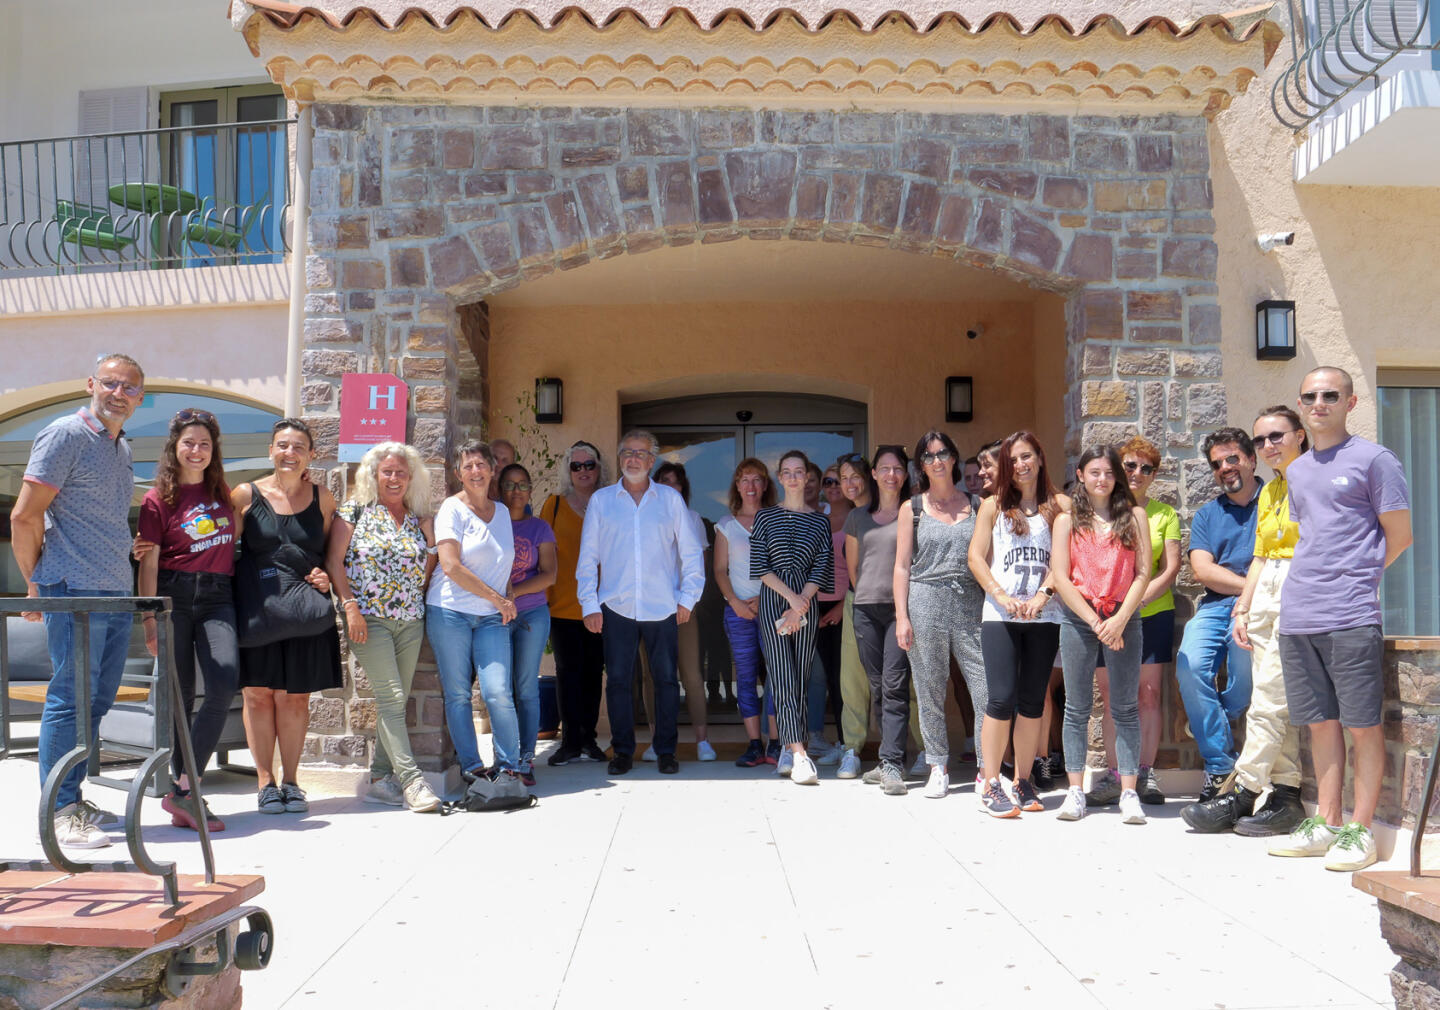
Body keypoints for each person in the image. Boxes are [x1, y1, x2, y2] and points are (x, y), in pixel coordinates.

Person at [1268, 367, 1411, 871]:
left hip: (1351, 614)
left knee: (1362, 726)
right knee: (1320, 726)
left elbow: (1400, 535)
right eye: (1310, 396)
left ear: (1350, 403)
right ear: (1300, 405)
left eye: (1331, 395)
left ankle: (1360, 830)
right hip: (1298, 614)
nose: (1319, 403)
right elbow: (1312, 536)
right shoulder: (1298, 470)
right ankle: (1327, 824)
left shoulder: (1375, 460)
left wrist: (1359, 578)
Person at [12, 353, 145, 848]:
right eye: (110, 383)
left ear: (140, 398)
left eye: (129, 388)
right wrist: (36, 585)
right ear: (91, 384)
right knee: (70, 700)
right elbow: (24, 517)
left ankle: (73, 797)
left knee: (97, 700)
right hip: (72, 589)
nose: (118, 393)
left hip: (115, 589)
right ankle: (59, 812)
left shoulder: (121, 447)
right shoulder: (65, 434)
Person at [1183, 407, 1309, 835]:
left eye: (1275, 437)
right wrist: (1244, 605)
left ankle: (1243, 790)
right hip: (1241, 602)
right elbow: (1258, 558)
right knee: (1262, 696)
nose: (1225, 468)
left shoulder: (1307, 483)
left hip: (1291, 601)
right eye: (1217, 463)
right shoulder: (1272, 493)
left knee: (1265, 699)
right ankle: (1279, 793)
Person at [577, 430, 704, 776]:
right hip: (616, 605)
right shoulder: (602, 501)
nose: (633, 459)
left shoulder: (670, 500)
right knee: (618, 680)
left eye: (640, 453)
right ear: (620, 458)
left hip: (662, 604)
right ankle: (622, 751)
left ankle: (666, 750)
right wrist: (589, 604)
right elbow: (588, 557)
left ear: (651, 460)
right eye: (627, 452)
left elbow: (691, 553)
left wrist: (688, 598)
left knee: (665, 681)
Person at [136, 408, 239, 832]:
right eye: (189, 443)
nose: (196, 450)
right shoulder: (156, 499)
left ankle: (184, 786)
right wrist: (149, 620)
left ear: (214, 450)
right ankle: (188, 796)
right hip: (173, 596)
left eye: (204, 444)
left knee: (224, 681)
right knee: (182, 696)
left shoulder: (224, 493)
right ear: (174, 448)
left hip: (218, 596)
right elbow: (149, 563)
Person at [325, 442, 442, 813]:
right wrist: (350, 607)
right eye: (387, 472)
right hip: (369, 619)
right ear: (374, 474)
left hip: (410, 620)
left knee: (396, 702)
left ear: (411, 478)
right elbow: (334, 561)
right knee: (391, 697)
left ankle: (379, 780)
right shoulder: (355, 509)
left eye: (401, 473)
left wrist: (431, 539)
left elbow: (427, 571)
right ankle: (412, 781)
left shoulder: (416, 516)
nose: (394, 478)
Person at [233, 419, 341, 815]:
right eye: (282, 445)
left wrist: (324, 575)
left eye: (298, 447)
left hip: (303, 611)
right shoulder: (244, 494)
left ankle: (292, 782)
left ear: (311, 455)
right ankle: (265, 783)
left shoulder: (323, 498)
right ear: (270, 451)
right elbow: (222, 548)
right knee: (258, 695)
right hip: (258, 608)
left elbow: (328, 553)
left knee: (295, 697)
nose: (289, 453)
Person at [968, 431, 1068, 818]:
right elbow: (976, 557)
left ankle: (1022, 780)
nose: (1021, 465)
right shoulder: (993, 506)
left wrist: (1043, 595)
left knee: (1032, 701)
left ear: (1040, 458)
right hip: (1000, 616)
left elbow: (1065, 561)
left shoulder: (1060, 506)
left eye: (1027, 456)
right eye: (1013, 460)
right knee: (1000, 698)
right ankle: (991, 782)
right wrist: (1000, 594)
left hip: (1045, 616)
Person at [1052, 447, 1152, 824]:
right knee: (1076, 708)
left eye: (1109, 473)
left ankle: (1129, 792)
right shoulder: (1067, 521)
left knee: (1125, 707)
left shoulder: (1135, 516)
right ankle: (1075, 791)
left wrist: (1120, 619)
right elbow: (1061, 576)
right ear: (1081, 475)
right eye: (1094, 472)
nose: (1102, 479)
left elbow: (1143, 572)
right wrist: (1096, 623)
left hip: (1124, 617)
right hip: (1081, 619)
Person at [894, 430, 988, 800]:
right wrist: (902, 616)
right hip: (925, 599)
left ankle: (987, 767)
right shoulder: (912, 508)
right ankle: (937, 765)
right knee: (930, 687)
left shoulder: (978, 505)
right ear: (921, 464)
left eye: (942, 453)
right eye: (929, 456)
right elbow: (902, 566)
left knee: (985, 688)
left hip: (971, 602)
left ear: (953, 458)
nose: (936, 461)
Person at [1088, 436, 1180, 807]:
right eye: (1130, 465)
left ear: (1154, 475)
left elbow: (1170, 568)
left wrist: (1135, 601)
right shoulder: (1102, 512)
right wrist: (1117, 610)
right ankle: (1115, 776)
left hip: (1152, 613)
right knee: (1113, 695)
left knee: (1149, 694)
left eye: (1146, 468)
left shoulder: (1164, 514)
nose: (1137, 473)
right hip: (1107, 619)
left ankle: (1144, 772)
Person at [427, 440, 521, 785]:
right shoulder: (451, 509)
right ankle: (472, 767)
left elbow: (501, 560)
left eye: (481, 464)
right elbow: (450, 566)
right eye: (467, 466)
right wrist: (498, 598)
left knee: (498, 691)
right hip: (450, 611)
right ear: (458, 474)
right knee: (458, 694)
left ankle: (509, 767)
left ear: (492, 469)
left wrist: (507, 593)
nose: (475, 471)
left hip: (492, 615)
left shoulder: (503, 513)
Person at [1175, 427, 1261, 803]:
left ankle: (1209, 722)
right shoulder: (1208, 514)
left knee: (1244, 678)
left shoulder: (1275, 503)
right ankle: (1220, 767)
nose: (1225, 467)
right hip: (1215, 605)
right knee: (1189, 664)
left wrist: (1250, 595)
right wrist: (1248, 585)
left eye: (1232, 458)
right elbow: (1203, 571)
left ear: (1251, 459)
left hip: (1259, 607)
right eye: (1217, 464)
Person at [751, 449, 834, 786]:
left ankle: (788, 747)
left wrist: (801, 602)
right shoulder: (765, 517)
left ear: (807, 477)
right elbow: (760, 567)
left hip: (807, 602)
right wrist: (792, 599)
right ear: (780, 477)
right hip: (775, 600)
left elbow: (821, 566)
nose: (794, 477)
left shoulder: (820, 520)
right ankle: (800, 755)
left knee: (800, 677)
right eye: (788, 471)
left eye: (800, 471)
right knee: (782, 675)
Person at [845, 445, 912, 795]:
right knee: (878, 686)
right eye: (884, 468)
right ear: (873, 474)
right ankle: (888, 761)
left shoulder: (914, 512)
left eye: (897, 468)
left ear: (905, 474)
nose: (891, 474)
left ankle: (893, 762)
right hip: (866, 609)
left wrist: (903, 610)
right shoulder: (857, 517)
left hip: (900, 610)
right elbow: (854, 569)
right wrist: (867, 596)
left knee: (895, 684)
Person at [641, 461, 715, 762]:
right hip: (649, 609)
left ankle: (702, 741)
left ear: (682, 487)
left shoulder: (693, 518)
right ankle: (656, 740)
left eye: (674, 481)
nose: (668, 486)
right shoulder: (643, 518)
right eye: (663, 480)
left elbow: (699, 566)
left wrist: (689, 602)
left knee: (691, 674)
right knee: (652, 676)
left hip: (683, 607)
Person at [541, 441, 608, 766]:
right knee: (568, 673)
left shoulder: (610, 503)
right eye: (576, 465)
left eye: (589, 464)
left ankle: (588, 739)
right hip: (562, 605)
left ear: (599, 468)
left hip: (601, 605)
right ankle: (569, 742)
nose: (583, 471)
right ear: (568, 470)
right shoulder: (553, 504)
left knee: (594, 672)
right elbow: (541, 554)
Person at [714, 458, 780, 767]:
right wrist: (735, 602)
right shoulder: (726, 525)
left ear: (765, 485)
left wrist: (765, 599)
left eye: (756, 479)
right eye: (744, 480)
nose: (750, 486)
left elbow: (784, 569)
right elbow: (720, 570)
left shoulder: (777, 520)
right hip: (738, 612)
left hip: (773, 609)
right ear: (737, 486)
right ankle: (754, 744)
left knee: (777, 676)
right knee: (745, 677)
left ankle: (776, 742)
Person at [498, 462, 556, 786]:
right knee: (499, 688)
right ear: (500, 489)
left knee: (526, 687)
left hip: (531, 613)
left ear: (530, 491)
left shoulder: (539, 528)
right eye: (509, 484)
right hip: (495, 614)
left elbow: (550, 575)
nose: (516, 490)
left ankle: (526, 758)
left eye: (522, 484)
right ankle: (505, 758)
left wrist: (514, 593)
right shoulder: (491, 524)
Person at [806, 463, 850, 762]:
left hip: (846, 605)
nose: (833, 487)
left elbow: (863, 569)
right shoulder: (816, 518)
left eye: (838, 481)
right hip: (814, 606)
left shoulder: (858, 516)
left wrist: (841, 606)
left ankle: (848, 744)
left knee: (843, 678)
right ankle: (825, 741)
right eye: (828, 482)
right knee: (819, 678)